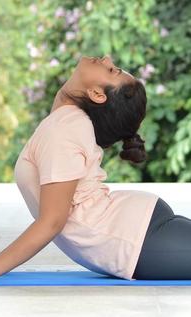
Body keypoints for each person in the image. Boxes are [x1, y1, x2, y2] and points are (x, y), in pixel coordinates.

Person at [15, 55, 191, 281]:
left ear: (98, 94)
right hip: (140, 234)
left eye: (112, 70)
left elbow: (52, 221)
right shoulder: (65, 123)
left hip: (140, 237)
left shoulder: (66, 126)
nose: (107, 59)